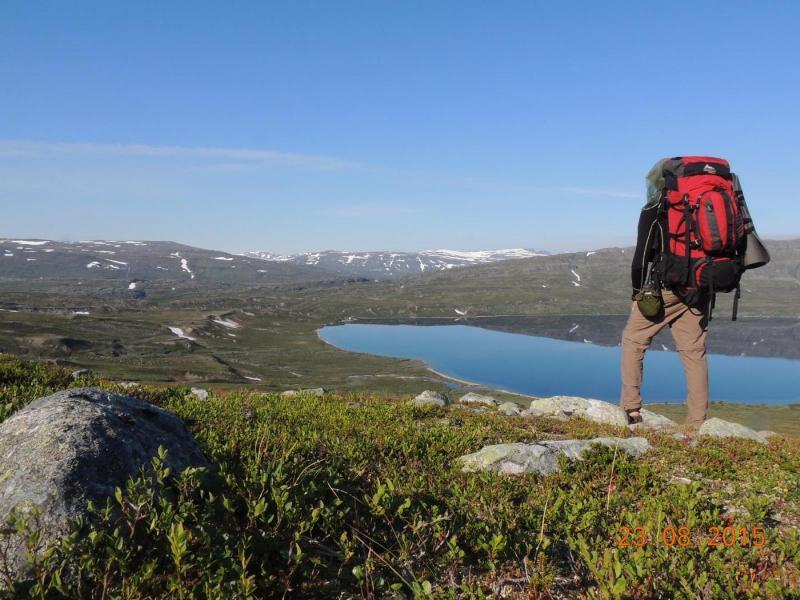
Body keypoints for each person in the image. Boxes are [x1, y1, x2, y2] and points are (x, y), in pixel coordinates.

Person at [619, 159, 709, 429]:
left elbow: (640, 259)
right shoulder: (704, 203)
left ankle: (631, 409)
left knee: (633, 339)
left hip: (665, 289)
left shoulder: (656, 208)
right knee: (694, 353)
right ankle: (697, 424)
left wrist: (637, 294)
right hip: (700, 287)